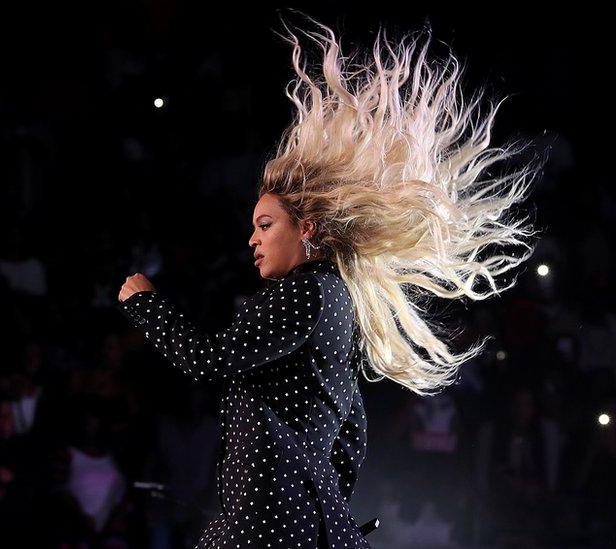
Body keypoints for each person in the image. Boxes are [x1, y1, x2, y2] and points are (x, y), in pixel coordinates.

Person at [117, 16, 540, 549]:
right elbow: (350, 432)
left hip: (266, 525)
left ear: (308, 229)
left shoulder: (306, 293)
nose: (253, 240)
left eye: (266, 225)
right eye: (253, 228)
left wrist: (148, 306)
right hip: (291, 521)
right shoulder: (336, 301)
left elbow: (208, 359)